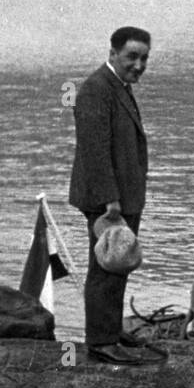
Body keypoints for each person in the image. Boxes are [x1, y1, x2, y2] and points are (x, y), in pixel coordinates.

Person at [68, 25, 151, 364]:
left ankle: (112, 328)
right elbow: (95, 150)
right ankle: (101, 341)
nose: (139, 64)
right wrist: (110, 201)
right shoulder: (95, 89)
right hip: (109, 200)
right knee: (105, 267)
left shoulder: (118, 86)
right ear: (113, 53)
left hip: (122, 195)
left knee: (118, 264)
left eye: (144, 58)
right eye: (132, 56)